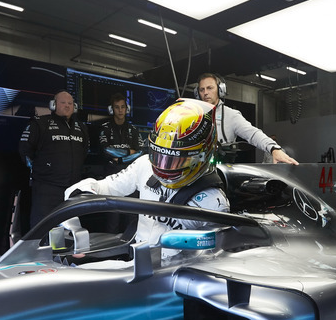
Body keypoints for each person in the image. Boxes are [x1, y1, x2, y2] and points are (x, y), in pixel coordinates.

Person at [65, 98, 229, 251]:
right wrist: (82, 192)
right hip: (136, 261)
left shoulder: (214, 203)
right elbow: (107, 186)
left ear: (202, 155)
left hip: (178, 274)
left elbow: (213, 260)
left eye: (176, 159)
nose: (164, 166)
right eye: (160, 155)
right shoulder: (145, 165)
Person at [19, 91, 89, 228]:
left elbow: (84, 151)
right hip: (46, 188)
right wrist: (41, 170)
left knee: (69, 229)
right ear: (53, 105)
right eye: (63, 102)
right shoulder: (40, 123)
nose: (67, 106)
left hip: (72, 189)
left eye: (70, 103)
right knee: (43, 227)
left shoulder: (81, 127)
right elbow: (25, 150)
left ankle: (64, 250)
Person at [196, 73, 298, 165]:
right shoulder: (192, 115)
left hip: (220, 173)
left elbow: (253, 134)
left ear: (220, 90)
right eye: (202, 89)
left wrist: (274, 148)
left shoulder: (231, 115)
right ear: (197, 93)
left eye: (210, 88)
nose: (205, 93)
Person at [98, 92, 143, 232]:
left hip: (130, 178)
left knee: (131, 217)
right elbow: (106, 151)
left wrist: (120, 158)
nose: (120, 110)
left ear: (126, 109)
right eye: (117, 107)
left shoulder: (133, 129)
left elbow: (140, 153)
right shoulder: (104, 128)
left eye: (123, 107)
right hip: (113, 178)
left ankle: (131, 250)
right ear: (112, 109)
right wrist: (129, 152)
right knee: (113, 219)